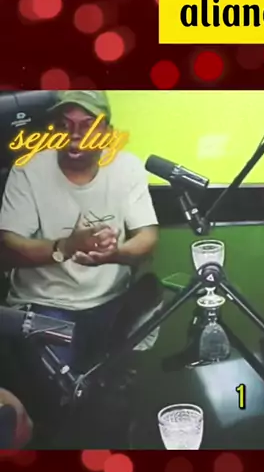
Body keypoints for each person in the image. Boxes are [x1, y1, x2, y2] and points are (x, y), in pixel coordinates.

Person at [0, 90, 159, 372]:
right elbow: (8, 249)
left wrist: (115, 254)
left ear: (107, 132)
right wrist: (66, 246)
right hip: (45, 304)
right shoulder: (28, 170)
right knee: (61, 389)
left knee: (123, 376)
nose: (75, 134)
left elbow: (147, 236)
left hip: (111, 302)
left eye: (87, 125)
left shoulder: (128, 167)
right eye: (65, 124)